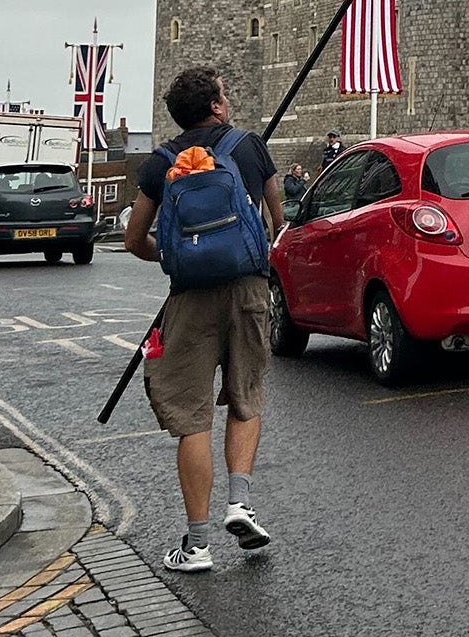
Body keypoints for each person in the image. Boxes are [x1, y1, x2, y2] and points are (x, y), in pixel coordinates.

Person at [125, 67, 286, 574]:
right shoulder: (250, 147)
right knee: (246, 395)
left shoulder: (160, 162)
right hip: (248, 290)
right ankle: (240, 503)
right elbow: (278, 221)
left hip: (188, 297)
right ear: (216, 106)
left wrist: (175, 256)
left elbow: (134, 240)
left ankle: (197, 545)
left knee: (192, 416)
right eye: (225, 93)